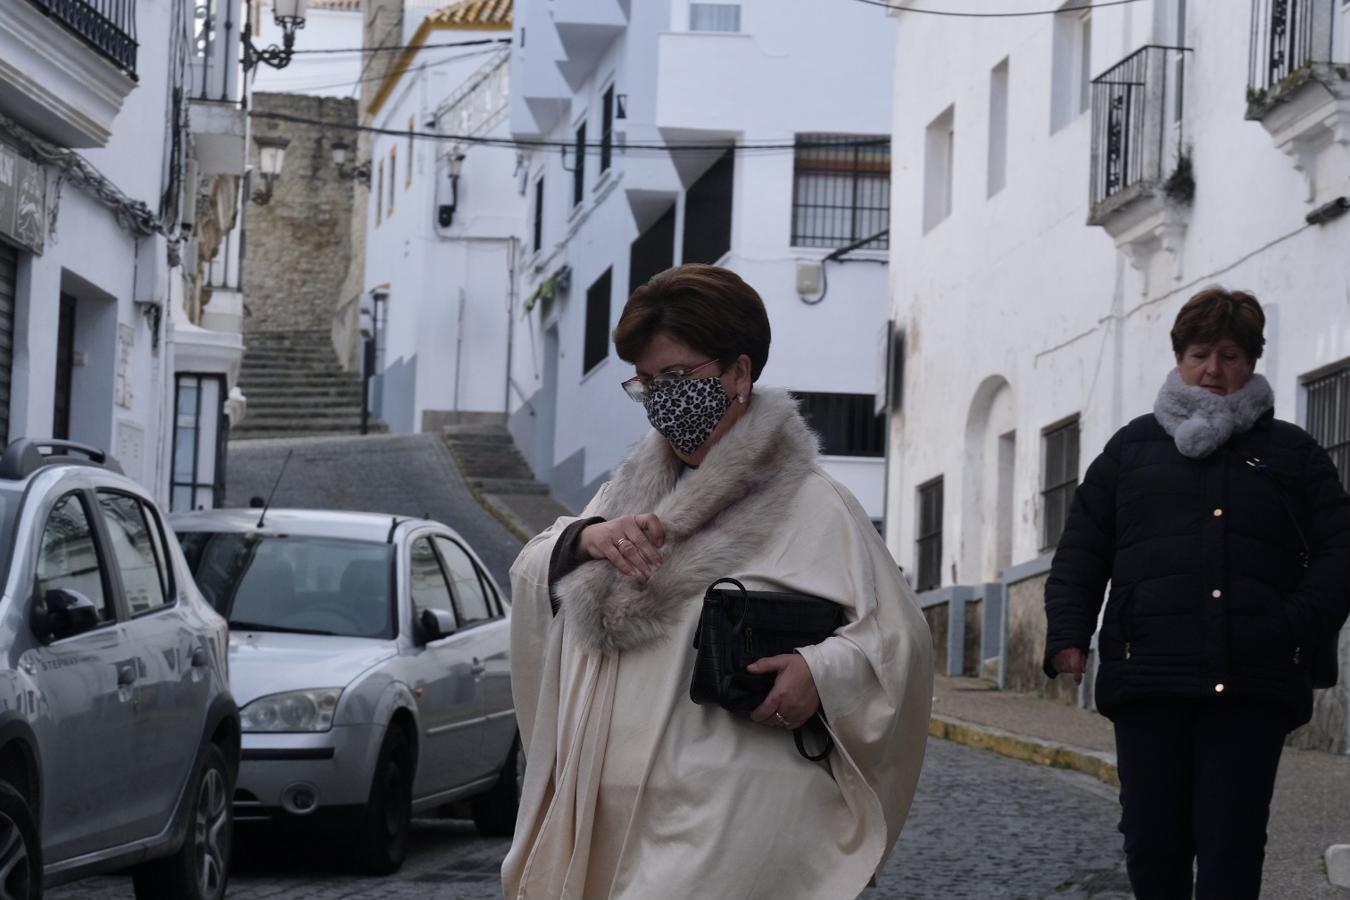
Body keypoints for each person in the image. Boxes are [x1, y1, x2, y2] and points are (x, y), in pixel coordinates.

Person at [502, 264, 933, 899]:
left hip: (731, 817)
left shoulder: (815, 506)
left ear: (738, 372)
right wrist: (582, 539)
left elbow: (900, 644)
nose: (659, 397)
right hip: (611, 818)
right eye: (645, 382)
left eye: (676, 377)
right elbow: (538, 574)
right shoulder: (622, 497)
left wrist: (820, 672)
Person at [1044, 287, 1350, 900]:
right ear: (1180, 358)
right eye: (1201, 353)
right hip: (1149, 677)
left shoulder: (1292, 454)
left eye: (1231, 355)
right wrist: (1068, 635)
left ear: (1252, 363)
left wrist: (1289, 626)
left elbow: (1340, 553)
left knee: (1231, 849)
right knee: (1152, 846)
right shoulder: (1130, 450)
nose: (1214, 370)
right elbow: (1082, 548)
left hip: (1251, 684)